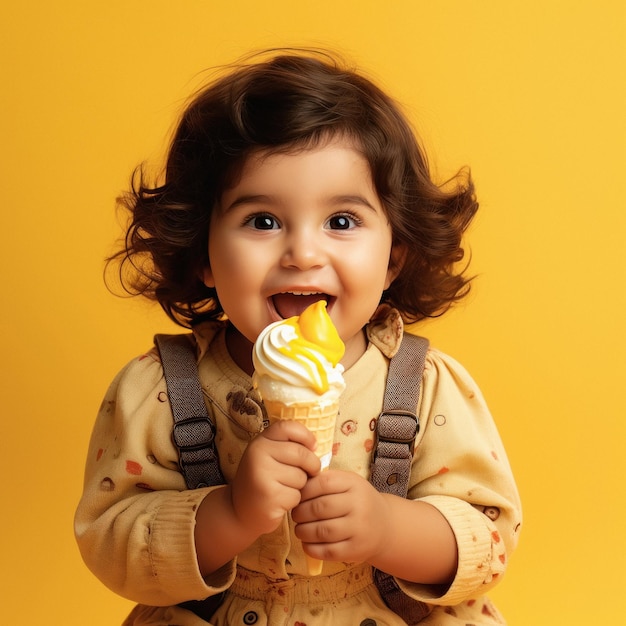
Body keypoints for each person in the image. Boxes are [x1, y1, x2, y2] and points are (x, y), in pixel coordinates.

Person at [75, 49, 522, 625]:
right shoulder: (160, 391)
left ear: (393, 258)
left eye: (342, 221)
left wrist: (388, 529)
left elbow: (491, 539)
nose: (303, 253)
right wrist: (230, 514)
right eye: (262, 220)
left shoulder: (426, 388)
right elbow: (110, 545)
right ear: (205, 255)